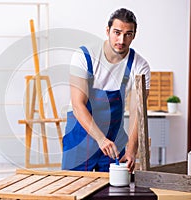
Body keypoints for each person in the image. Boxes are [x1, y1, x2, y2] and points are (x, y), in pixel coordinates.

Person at [62, 8, 150, 172]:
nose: (121, 40)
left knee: (114, 193)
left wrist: (131, 149)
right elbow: (77, 105)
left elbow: (137, 111)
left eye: (128, 34)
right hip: (78, 142)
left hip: (114, 145)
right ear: (108, 30)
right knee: (74, 192)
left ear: (134, 35)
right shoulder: (84, 56)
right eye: (117, 32)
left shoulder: (140, 66)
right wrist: (101, 140)